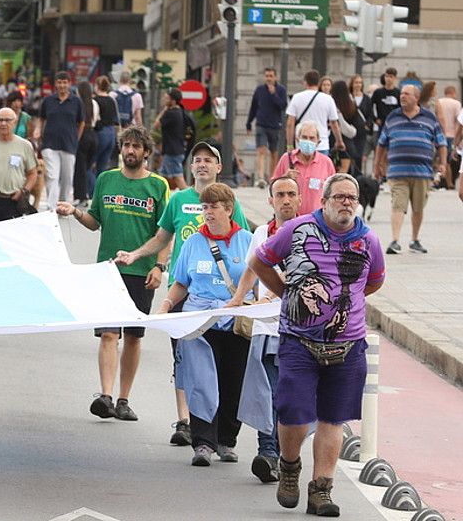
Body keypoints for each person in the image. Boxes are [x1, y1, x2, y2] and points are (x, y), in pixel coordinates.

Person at [249, 174, 385, 516]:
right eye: (339, 196)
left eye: (351, 198)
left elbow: (373, 283)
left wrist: (345, 306)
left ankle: (321, 490)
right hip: (299, 341)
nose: (346, 203)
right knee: (293, 412)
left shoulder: (368, 241)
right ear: (324, 200)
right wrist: (286, 294)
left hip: (348, 346)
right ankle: (290, 467)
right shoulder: (296, 229)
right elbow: (259, 262)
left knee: (332, 419)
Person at [114, 140, 249, 445]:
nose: (201, 164)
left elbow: (241, 245)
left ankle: (218, 431)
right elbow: (161, 238)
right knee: (185, 360)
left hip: (222, 298)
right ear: (190, 167)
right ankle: (185, 420)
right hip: (184, 289)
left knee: (222, 367)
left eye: (208, 160)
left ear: (218, 167)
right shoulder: (178, 200)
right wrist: (137, 255)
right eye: (196, 159)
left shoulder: (231, 203)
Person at [56, 125, 169, 422]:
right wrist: (75, 212)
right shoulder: (106, 180)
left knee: (133, 336)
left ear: (146, 152)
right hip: (107, 269)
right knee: (108, 333)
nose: (130, 151)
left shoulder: (158, 186)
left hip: (141, 270)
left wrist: (159, 266)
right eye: (126, 146)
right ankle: (105, 395)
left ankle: (123, 399)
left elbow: (164, 232)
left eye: (136, 147)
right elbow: (95, 222)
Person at [155, 183, 254, 467]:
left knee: (233, 383)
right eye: (204, 207)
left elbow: (261, 283)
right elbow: (181, 283)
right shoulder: (194, 242)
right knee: (201, 382)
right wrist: (166, 305)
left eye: (213, 207)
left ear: (229, 209)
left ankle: (226, 440)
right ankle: (203, 443)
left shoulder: (246, 241)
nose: (207, 213)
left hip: (236, 324)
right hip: (200, 324)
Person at [227, 174, 302, 486]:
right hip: (266, 326)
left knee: (289, 396)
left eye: (290, 194)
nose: (285, 200)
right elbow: (251, 269)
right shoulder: (261, 232)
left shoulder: (310, 232)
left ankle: (285, 457)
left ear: (299, 199)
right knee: (265, 391)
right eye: (279, 194)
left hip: (299, 330)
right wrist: (236, 300)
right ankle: (267, 454)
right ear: (270, 200)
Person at [374, 83, 445, 254]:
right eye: (402, 94)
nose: (402, 96)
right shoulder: (392, 117)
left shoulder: (429, 117)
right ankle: (395, 240)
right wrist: (378, 164)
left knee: (418, 208)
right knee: (398, 204)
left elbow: (441, 142)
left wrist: (443, 163)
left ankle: (414, 239)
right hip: (398, 171)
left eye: (406, 94)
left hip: (422, 172)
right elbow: (382, 143)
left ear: (417, 98)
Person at [31, 71, 84, 209]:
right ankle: (52, 207)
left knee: (67, 179)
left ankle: (63, 205)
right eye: (59, 82)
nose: (62, 85)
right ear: (55, 84)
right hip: (49, 144)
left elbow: (81, 122)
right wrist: (38, 130)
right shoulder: (48, 101)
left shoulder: (76, 102)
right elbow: (41, 119)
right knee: (52, 176)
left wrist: (75, 138)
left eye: (65, 82)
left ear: (69, 84)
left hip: (69, 144)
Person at [272, 122, 335, 217]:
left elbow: (333, 192)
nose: (308, 141)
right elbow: (272, 187)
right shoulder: (287, 159)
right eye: (304, 137)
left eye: (312, 138)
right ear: (298, 139)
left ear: (318, 142)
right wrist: (284, 178)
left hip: (316, 220)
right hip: (290, 218)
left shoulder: (326, 163)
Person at [285, 70, 344, 156]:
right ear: (318, 83)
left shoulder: (296, 97)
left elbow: (290, 123)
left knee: (301, 168)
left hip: (302, 143)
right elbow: (334, 123)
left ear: (305, 82)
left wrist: (290, 145)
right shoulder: (328, 99)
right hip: (321, 143)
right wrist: (339, 141)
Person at [247, 67, 289, 186]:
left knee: (274, 152)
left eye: (271, 76)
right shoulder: (259, 90)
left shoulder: (281, 90)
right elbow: (253, 107)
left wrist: (274, 94)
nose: (268, 78)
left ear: (275, 77)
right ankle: (260, 177)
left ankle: (272, 177)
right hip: (261, 124)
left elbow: (282, 106)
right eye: (267, 76)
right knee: (261, 150)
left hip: (275, 125)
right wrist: (249, 122)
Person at [156, 89, 191, 190]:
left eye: (167, 98)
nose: (164, 99)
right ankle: (159, 197)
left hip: (172, 151)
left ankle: (187, 199)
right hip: (175, 150)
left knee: (178, 177)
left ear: (173, 101)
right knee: (162, 176)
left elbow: (156, 125)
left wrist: (164, 109)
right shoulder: (180, 111)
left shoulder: (171, 113)